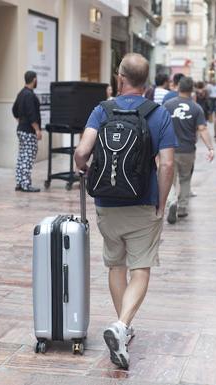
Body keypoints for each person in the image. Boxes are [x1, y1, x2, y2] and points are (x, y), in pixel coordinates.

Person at [74, 53, 177, 370]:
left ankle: (123, 327)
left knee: (115, 265)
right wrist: (161, 201)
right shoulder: (158, 114)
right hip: (143, 202)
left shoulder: (102, 110)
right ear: (146, 81)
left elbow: (81, 152)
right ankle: (121, 325)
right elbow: (168, 164)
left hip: (107, 202)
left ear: (120, 77)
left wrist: (84, 169)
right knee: (141, 268)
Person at [163, 76, 215, 223]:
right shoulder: (196, 108)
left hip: (169, 150)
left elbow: (160, 126)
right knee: (185, 179)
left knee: (169, 180)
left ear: (178, 87)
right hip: (187, 150)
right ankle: (182, 207)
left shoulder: (167, 105)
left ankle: (172, 202)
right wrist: (210, 147)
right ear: (192, 90)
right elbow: (203, 129)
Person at [12, 70, 43, 192]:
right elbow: (32, 114)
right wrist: (37, 130)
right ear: (34, 79)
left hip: (21, 130)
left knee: (22, 156)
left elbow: (14, 110)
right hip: (29, 131)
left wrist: (21, 121)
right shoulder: (30, 95)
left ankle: (20, 182)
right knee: (28, 157)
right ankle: (25, 184)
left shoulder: (21, 93)